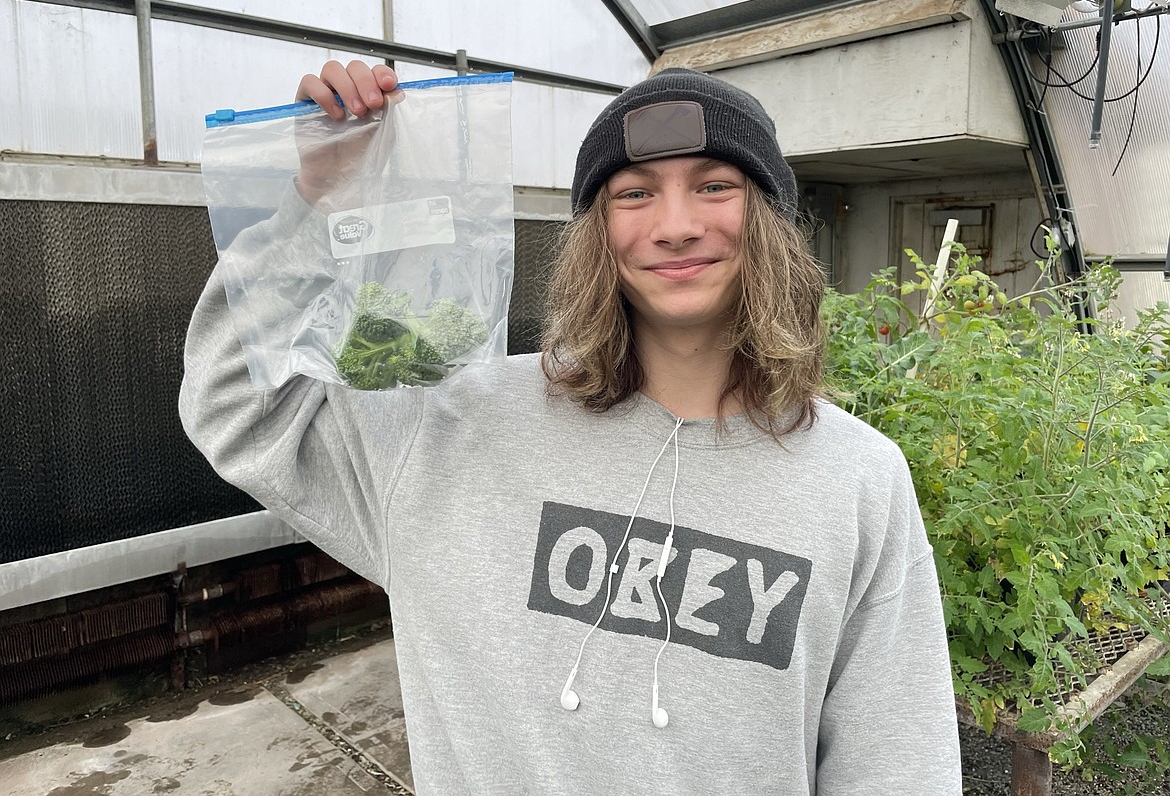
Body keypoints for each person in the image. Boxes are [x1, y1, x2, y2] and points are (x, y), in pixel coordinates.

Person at [180, 62, 963, 794]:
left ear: (770, 221)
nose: (677, 224)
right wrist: (313, 206)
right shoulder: (455, 426)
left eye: (715, 184)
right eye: (634, 193)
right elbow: (234, 407)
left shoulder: (856, 478)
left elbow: (896, 765)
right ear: (595, 234)